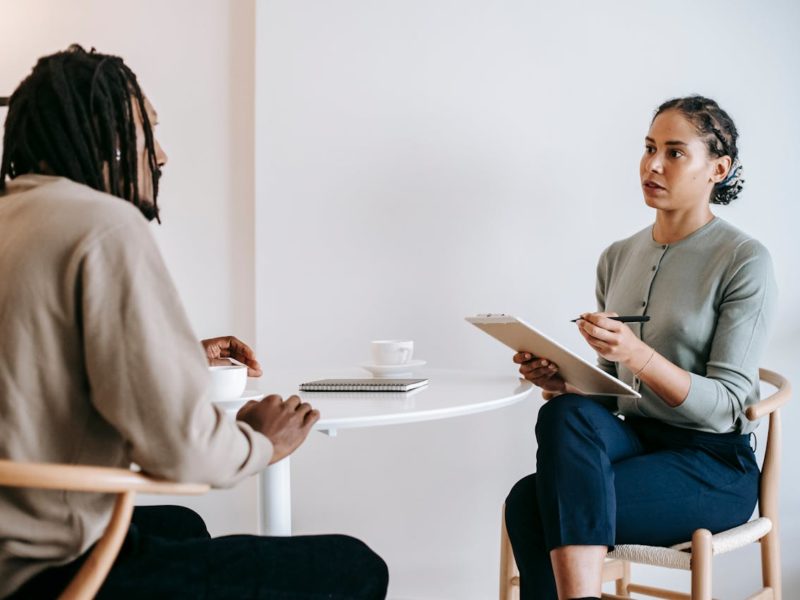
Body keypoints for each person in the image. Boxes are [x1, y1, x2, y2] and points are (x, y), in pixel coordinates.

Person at [0, 45, 388, 599]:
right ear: (102, 137)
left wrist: (172, 350)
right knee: (353, 566)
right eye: (144, 131)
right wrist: (257, 441)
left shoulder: (14, 217)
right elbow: (183, 453)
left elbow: (35, 365)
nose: (159, 155)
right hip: (44, 569)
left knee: (183, 528)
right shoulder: (102, 225)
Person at [504, 96, 776, 599]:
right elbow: (612, 399)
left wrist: (639, 356)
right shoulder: (618, 257)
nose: (652, 164)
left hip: (712, 465)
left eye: (675, 153)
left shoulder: (744, 260)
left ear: (718, 168)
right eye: (649, 148)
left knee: (530, 503)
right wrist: (563, 382)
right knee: (563, 414)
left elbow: (726, 408)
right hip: (639, 443)